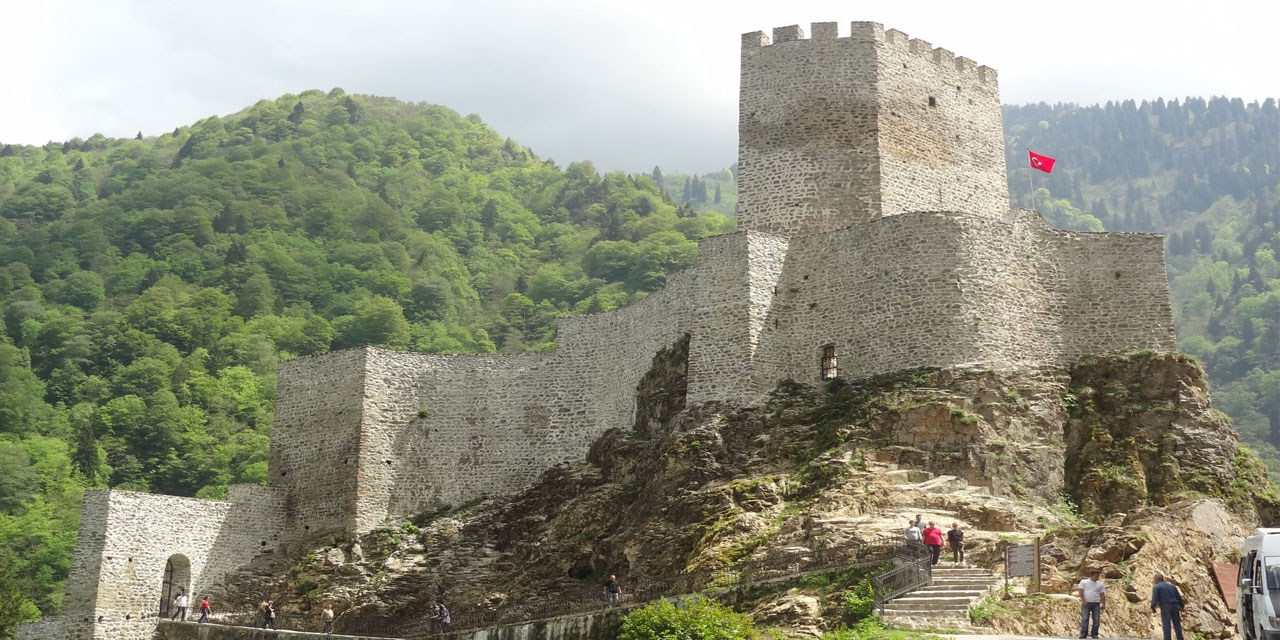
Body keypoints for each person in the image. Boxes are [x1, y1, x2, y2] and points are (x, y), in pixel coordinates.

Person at [1150, 572, 1185, 640]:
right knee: (1177, 624)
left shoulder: (1156, 587)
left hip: (1165, 606)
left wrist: (1152, 607)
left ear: (1157, 579)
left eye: (1154, 579)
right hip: (1175, 605)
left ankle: (1167, 638)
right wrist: (1182, 606)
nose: (1154, 581)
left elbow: (1155, 598)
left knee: (1166, 624)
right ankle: (1180, 638)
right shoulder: (1172, 586)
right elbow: (1178, 596)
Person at [1076, 569, 1106, 639]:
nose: (1097, 577)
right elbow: (1081, 591)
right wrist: (1083, 600)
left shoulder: (1100, 584)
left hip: (1096, 604)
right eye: (1096, 576)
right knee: (1085, 618)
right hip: (1086, 603)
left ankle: (1094, 634)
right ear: (1091, 575)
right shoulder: (1084, 582)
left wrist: (1103, 604)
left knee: (1096, 619)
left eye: (1098, 576)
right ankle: (1083, 634)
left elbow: (1102, 595)